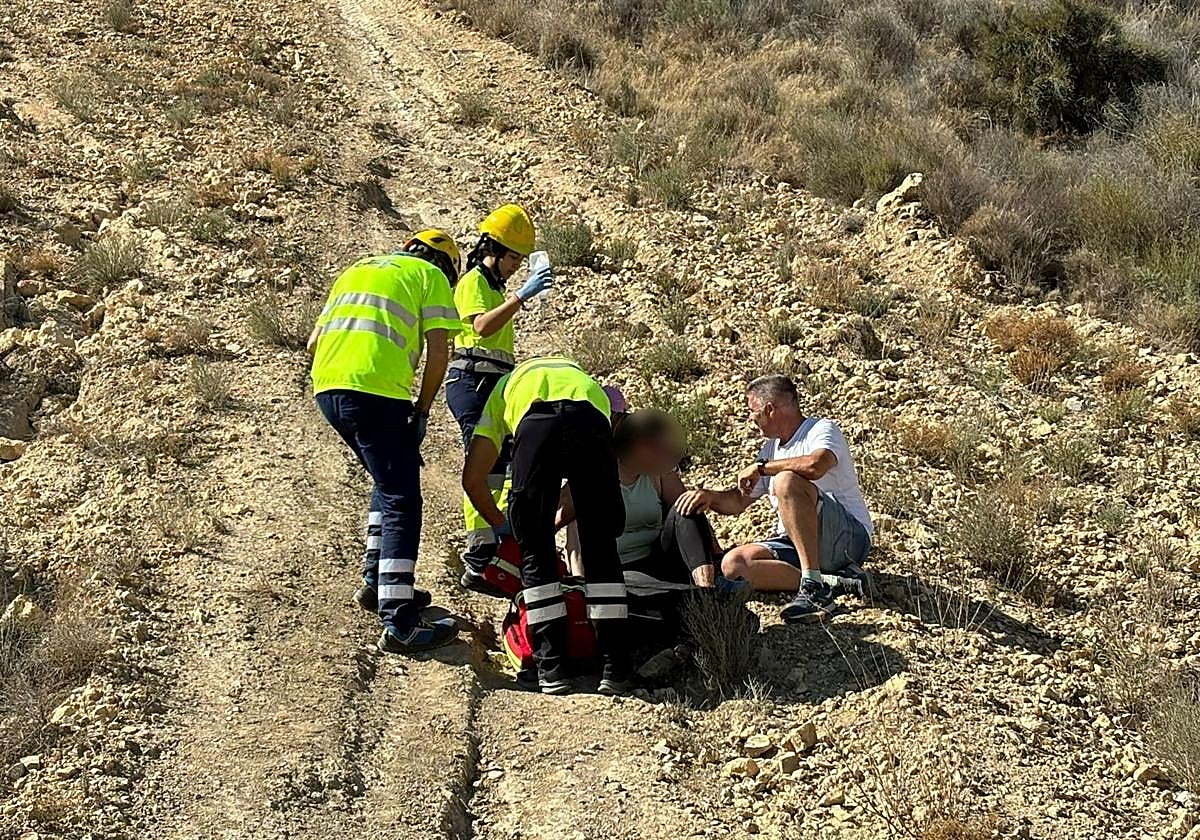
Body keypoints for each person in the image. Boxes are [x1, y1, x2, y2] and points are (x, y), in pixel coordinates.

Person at [307, 230, 462, 653]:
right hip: (376, 394)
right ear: (445, 265)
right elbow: (440, 353)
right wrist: (424, 409)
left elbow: (313, 342)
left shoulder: (356, 271)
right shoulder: (428, 276)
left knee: (387, 481)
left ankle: (378, 586)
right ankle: (401, 623)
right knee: (402, 498)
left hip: (328, 388)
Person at [462, 357, 631, 695]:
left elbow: (472, 478)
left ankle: (550, 670)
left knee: (536, 551)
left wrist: (503, 525)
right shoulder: (586, 383)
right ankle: (615, 669)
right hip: (590, 421)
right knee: (601, 546)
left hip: (535, 424)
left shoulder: (505, 389)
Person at [675, 374, 873, 623]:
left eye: (752, 410)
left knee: (785, 481)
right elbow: (738, 502)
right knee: (734, 564)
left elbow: (816, 466)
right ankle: (832, 582)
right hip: (799, 543)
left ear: (769, 409)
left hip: (848, 538)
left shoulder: (821, 430)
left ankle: (812, 589)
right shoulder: (771, 450)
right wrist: (709, 497)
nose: (750, 418)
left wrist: (762, 469)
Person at [444, 205, 553, 593]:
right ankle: (478, 557)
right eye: (512, 258)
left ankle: (495, 549)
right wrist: (523, 296)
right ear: (493, 248)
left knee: (501, 465)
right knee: (485, 466)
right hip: (473, 379)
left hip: (491, 383)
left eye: (520, 261)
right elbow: (481, 327)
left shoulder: (494, 288)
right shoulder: (474, 281)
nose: (514, 267)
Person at [560, 408, 720, 590]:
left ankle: (707, 588)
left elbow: (688, 517)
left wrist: (716, 552)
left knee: (687, 505)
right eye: (656, 448)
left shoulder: (659, 474)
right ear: (639, 447)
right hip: (617, 570)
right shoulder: (593, 478)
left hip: (659, 559)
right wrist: (583, 587)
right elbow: (575, 544)